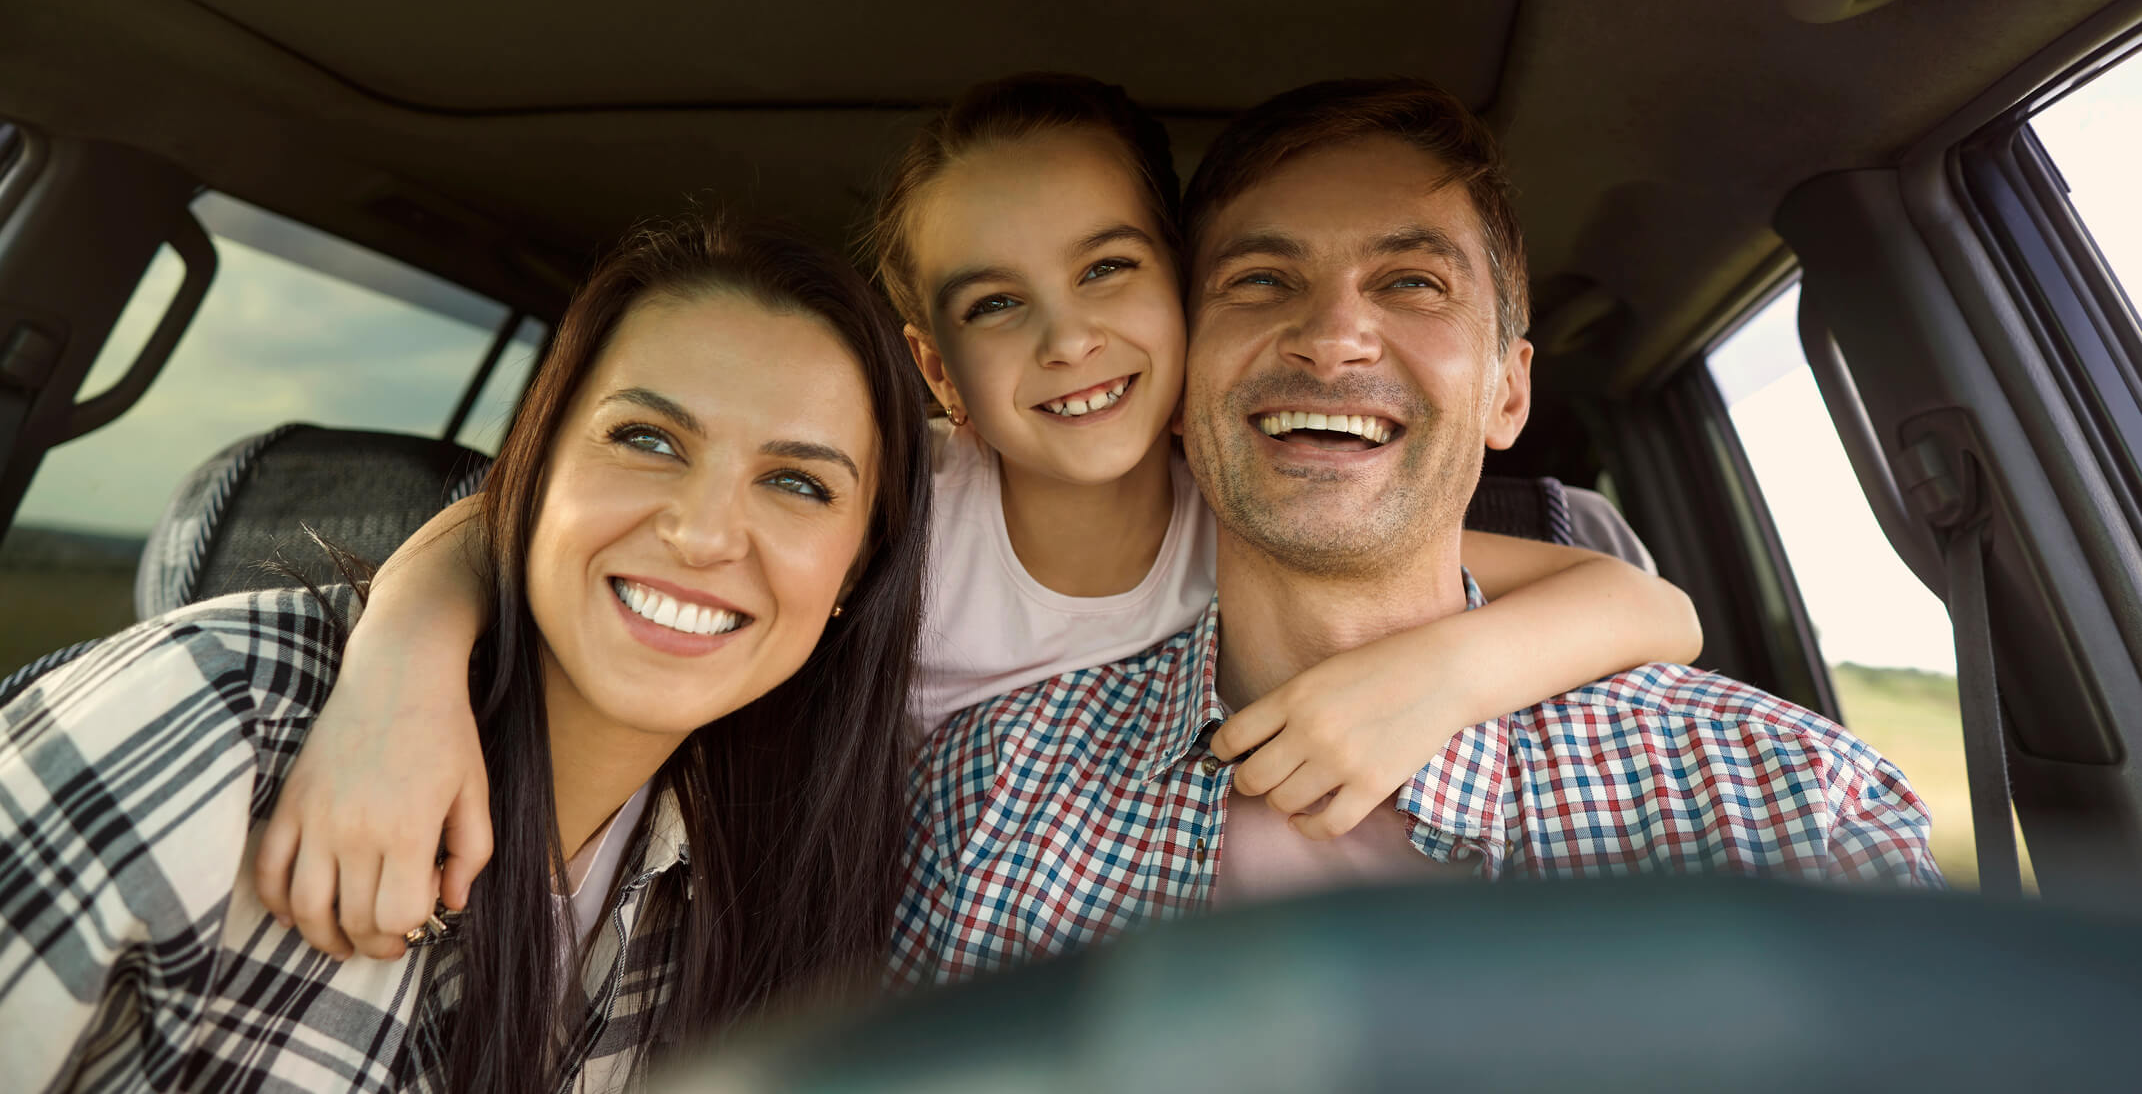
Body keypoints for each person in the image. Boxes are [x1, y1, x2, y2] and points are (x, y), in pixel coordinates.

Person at [257, 74, 1702, 965]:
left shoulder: (1252, 525)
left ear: (1189, 304)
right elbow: (525, 526)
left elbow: (1643, 602)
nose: (1068, 341)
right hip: (794, 910)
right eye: (997, 305)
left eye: (1110, 271)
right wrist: (396, 666)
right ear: (938, 366)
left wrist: (1430, 673)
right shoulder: (883, 487)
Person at [890, 77, 1941, 987]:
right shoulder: (983, 790)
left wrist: (1448, 677)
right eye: (1260, 280)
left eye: (1412, 282)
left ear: (1508, 391)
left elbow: (1651, 606)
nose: (1334, 336)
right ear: (1178, 377)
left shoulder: (1794, 806)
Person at [0, 216, 933, 1092]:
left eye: (798, 482)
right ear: (534, 468)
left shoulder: (759, 878)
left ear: (858, 568)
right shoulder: (212, 716)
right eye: (646, 438)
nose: (701, 533)